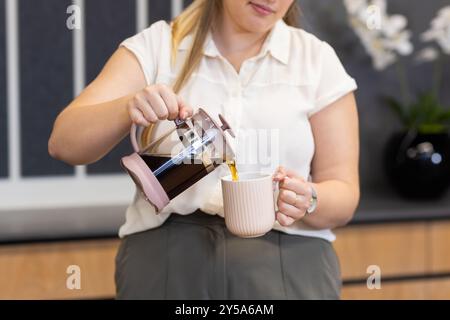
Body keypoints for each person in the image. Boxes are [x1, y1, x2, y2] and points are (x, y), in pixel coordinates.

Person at [48, 0, 360, 299]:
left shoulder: (316, 60)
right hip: (166, 262)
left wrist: (309, 199)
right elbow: (64, 144)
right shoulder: (160, 46)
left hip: (287, 264)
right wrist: (128, 107)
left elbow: (345, 194)